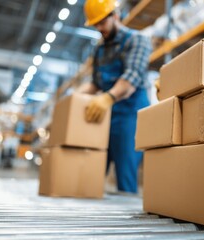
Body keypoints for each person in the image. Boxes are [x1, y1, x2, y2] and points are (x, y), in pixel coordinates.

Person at [78, 0, 152, 193]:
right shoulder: (99, 50)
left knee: (125, 175)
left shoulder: (137, 40)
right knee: (93, 169)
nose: (99, 28)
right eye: (96, 24)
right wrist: (74, 97)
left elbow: (132, 77)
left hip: (131, 116)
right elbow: (95, 83)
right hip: (106, 114)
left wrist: (108, 97)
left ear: (115, 15)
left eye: (102, 22)